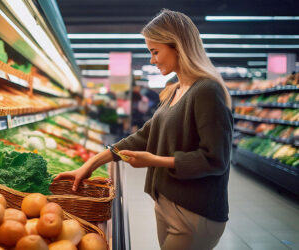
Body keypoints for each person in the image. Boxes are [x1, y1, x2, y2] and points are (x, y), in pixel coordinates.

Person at [55, 9, 233, 250]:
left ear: (178, 46)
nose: (152, 60)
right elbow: (144, 135)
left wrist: (155, 161)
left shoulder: (206, 91)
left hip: (193, 211)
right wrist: (90, 165)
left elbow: (215, 159)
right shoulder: (174, 89)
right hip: (166, 203)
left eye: (155, 51)